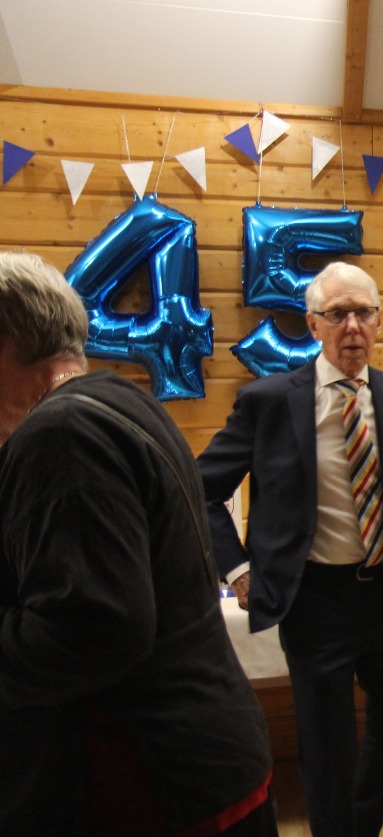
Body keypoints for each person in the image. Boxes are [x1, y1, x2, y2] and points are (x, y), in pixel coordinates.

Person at [0, 252, 275, 835]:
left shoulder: (62, 433)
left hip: (153, 778)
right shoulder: (119, 400)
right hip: (205, 755)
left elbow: (96, 629)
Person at [197, 261, 383, 837]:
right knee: (327, 749)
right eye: (337, 314)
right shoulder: (269, 401)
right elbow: (198, 491)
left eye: (363, 313)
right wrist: (238, 570)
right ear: (313, 325)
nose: (352, 326)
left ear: (379, 321)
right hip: (316, 602)